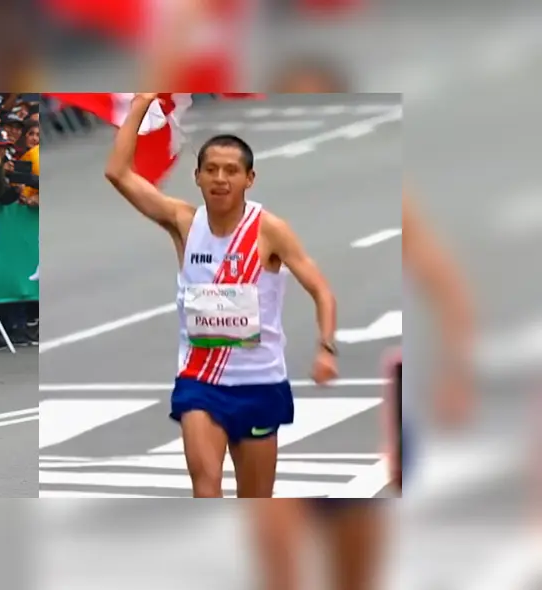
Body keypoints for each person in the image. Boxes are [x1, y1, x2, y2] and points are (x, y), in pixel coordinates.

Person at [104, 93, 339, 498]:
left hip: (260, 382)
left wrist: (326, 348)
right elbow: (118, 173)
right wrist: (141, 103)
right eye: (210, 169)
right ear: (197, 177)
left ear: (250, 179)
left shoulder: (270, 230)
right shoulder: (183, 222)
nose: (220, 178)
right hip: (200, 380)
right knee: (206, 485)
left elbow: (321, 289)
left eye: (231, 170)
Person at [247, 190, 476, 590]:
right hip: (275, 422)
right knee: (277, 553)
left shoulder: (401, 208)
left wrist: (456, 374)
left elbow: (445, 281)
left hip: (376, 423)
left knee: (354, 573)